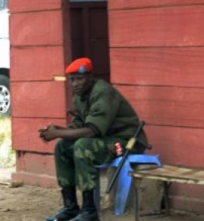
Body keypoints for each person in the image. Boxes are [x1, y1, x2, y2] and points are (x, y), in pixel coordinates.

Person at [39, 58, 149, 221]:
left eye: (80, 79)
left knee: (83, 146)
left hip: (126, 141)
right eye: (72, 80)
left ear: (90, 77)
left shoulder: (103, 92)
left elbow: (92, 131)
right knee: (62, 146)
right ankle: (70, 207)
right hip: (104, 139)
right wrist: (58, 131)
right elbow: (79, 125)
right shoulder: (80, 96)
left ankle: (89, 211)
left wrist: (57, 133)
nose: (75, 84)